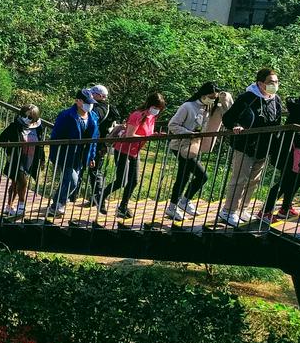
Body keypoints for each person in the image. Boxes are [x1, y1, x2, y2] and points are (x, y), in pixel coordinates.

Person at [219, 68, 284, 227]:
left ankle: (242, 209)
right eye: (270, 82)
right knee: (240, 179)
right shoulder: (248, 98)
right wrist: (236, 126)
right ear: (260, 83)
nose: (274, 85)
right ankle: (228, 210)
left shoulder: (275, 100)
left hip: (263, 147)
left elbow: (277, 122)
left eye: (276, 82)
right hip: (245, 146)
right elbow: (228, 118)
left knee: (254, 180)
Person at [165, 82, 225, 220]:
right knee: (199, 175)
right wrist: (189, 133)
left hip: (193, 146)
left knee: (185, 176)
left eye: (214, 98)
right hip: (181, 146)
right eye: (210, 97)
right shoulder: (188, 106)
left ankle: (178, 204)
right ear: (203, 94)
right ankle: (178, 204)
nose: (212, 100)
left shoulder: (208, 108)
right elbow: (172, 124)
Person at [102, 92, 164, 220]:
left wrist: (154, 135)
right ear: (149, 105)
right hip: (123, 149)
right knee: (121, 181)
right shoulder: (137, 115)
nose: (157, 111)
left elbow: (147, 133)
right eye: (156, 107)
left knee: (134, 181)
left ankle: (123, 206)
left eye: (159, 109)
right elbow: (129, 136)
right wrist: (148, 137)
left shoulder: (151, 118)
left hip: (135, 152)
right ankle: (100, 196)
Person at [261, 88, 300, 222]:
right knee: (286, 180)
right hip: (291, 150)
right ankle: (265, 211)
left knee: (299, 179)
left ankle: (285, 207)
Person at [47, 91, 99, 218]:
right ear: (78, 101)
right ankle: (58, 204)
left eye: (91, 103)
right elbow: (55, 136)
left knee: (68, 181)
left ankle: (56, 205)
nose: (90, 105)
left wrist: (92, 156)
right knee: (73, 181)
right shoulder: (66, 115)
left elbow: (94, 139)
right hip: (66, 154)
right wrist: (56, 155)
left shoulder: (93, 116)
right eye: (87, 103)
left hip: (81, 156)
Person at [74, 84, 119, 207]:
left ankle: (96, 198)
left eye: (92, 94)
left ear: (99, 95)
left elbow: (92, 122)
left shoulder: (99, 108)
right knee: (89, 170)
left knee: (91, 170)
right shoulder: (108, 107)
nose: (90, 97)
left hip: (95, 143)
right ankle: (92, 197)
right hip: (99, 143)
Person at [2, 104, 45, 218]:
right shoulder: (15, 126)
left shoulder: (38, 127)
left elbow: (40, 143)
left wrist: (42, 160)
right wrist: (9, 151)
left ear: (35, 118)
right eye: (23, 115)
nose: (26, 119)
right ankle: (21, 205)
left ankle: (8, 206)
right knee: (23, 181)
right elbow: (3, 138)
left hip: (30, 158)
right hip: (17, 158)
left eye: (30, 117)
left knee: (16, 182)